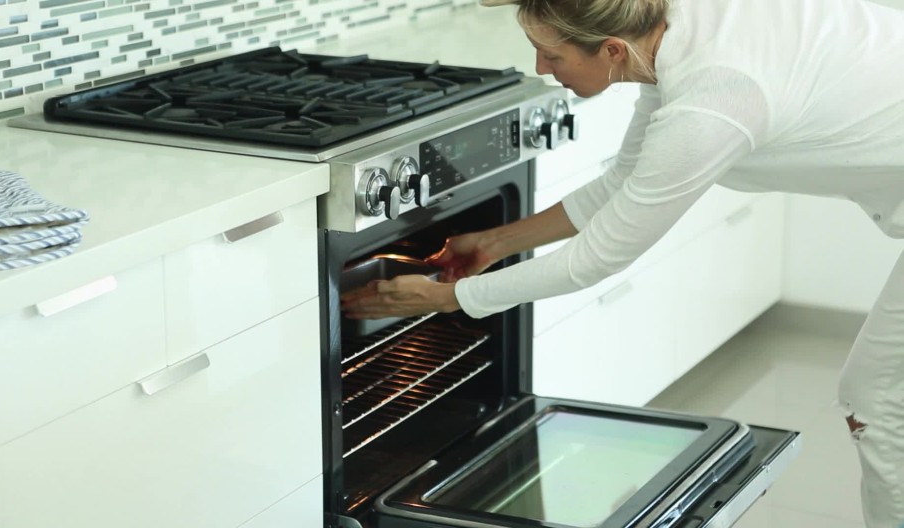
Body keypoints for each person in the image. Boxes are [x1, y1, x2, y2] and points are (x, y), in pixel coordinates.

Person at [340, 0, 904, 524]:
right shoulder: (666, 36)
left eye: (552, 55)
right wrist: (495, 241)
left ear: (610, 50)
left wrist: (447, 298)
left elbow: (594, 259)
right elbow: (622, 182)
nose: (539, 68)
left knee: (877, 405)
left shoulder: (712, 99)